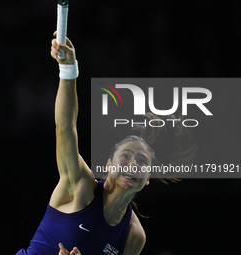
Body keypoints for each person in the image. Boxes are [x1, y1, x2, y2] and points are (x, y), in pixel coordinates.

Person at [16, 32, 196, 255]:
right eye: (126, 156)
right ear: (109, 165)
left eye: (142, 162)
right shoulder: (79, 185)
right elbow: (65, 127)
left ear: (147, 178)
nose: (132, 165)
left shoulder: (134, 236)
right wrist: (69, 69)